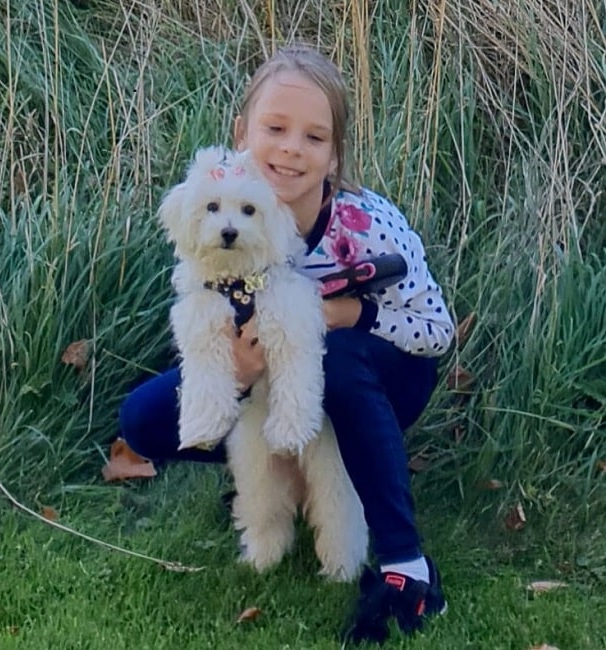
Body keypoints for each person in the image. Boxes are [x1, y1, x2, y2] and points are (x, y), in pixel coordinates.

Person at [119, 45, 454, 642]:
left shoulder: (367, 222)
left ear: (333, 156)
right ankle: (275, 485)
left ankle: (406, 564)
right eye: (275, 128)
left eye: (314, 137)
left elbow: (436, 331)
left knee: (339, 355)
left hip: (383, 377)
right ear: (242, 133)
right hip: (271, 378)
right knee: (144, 418)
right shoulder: (218, 220)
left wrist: (344, 311)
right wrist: (242, 370)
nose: (292, 149)